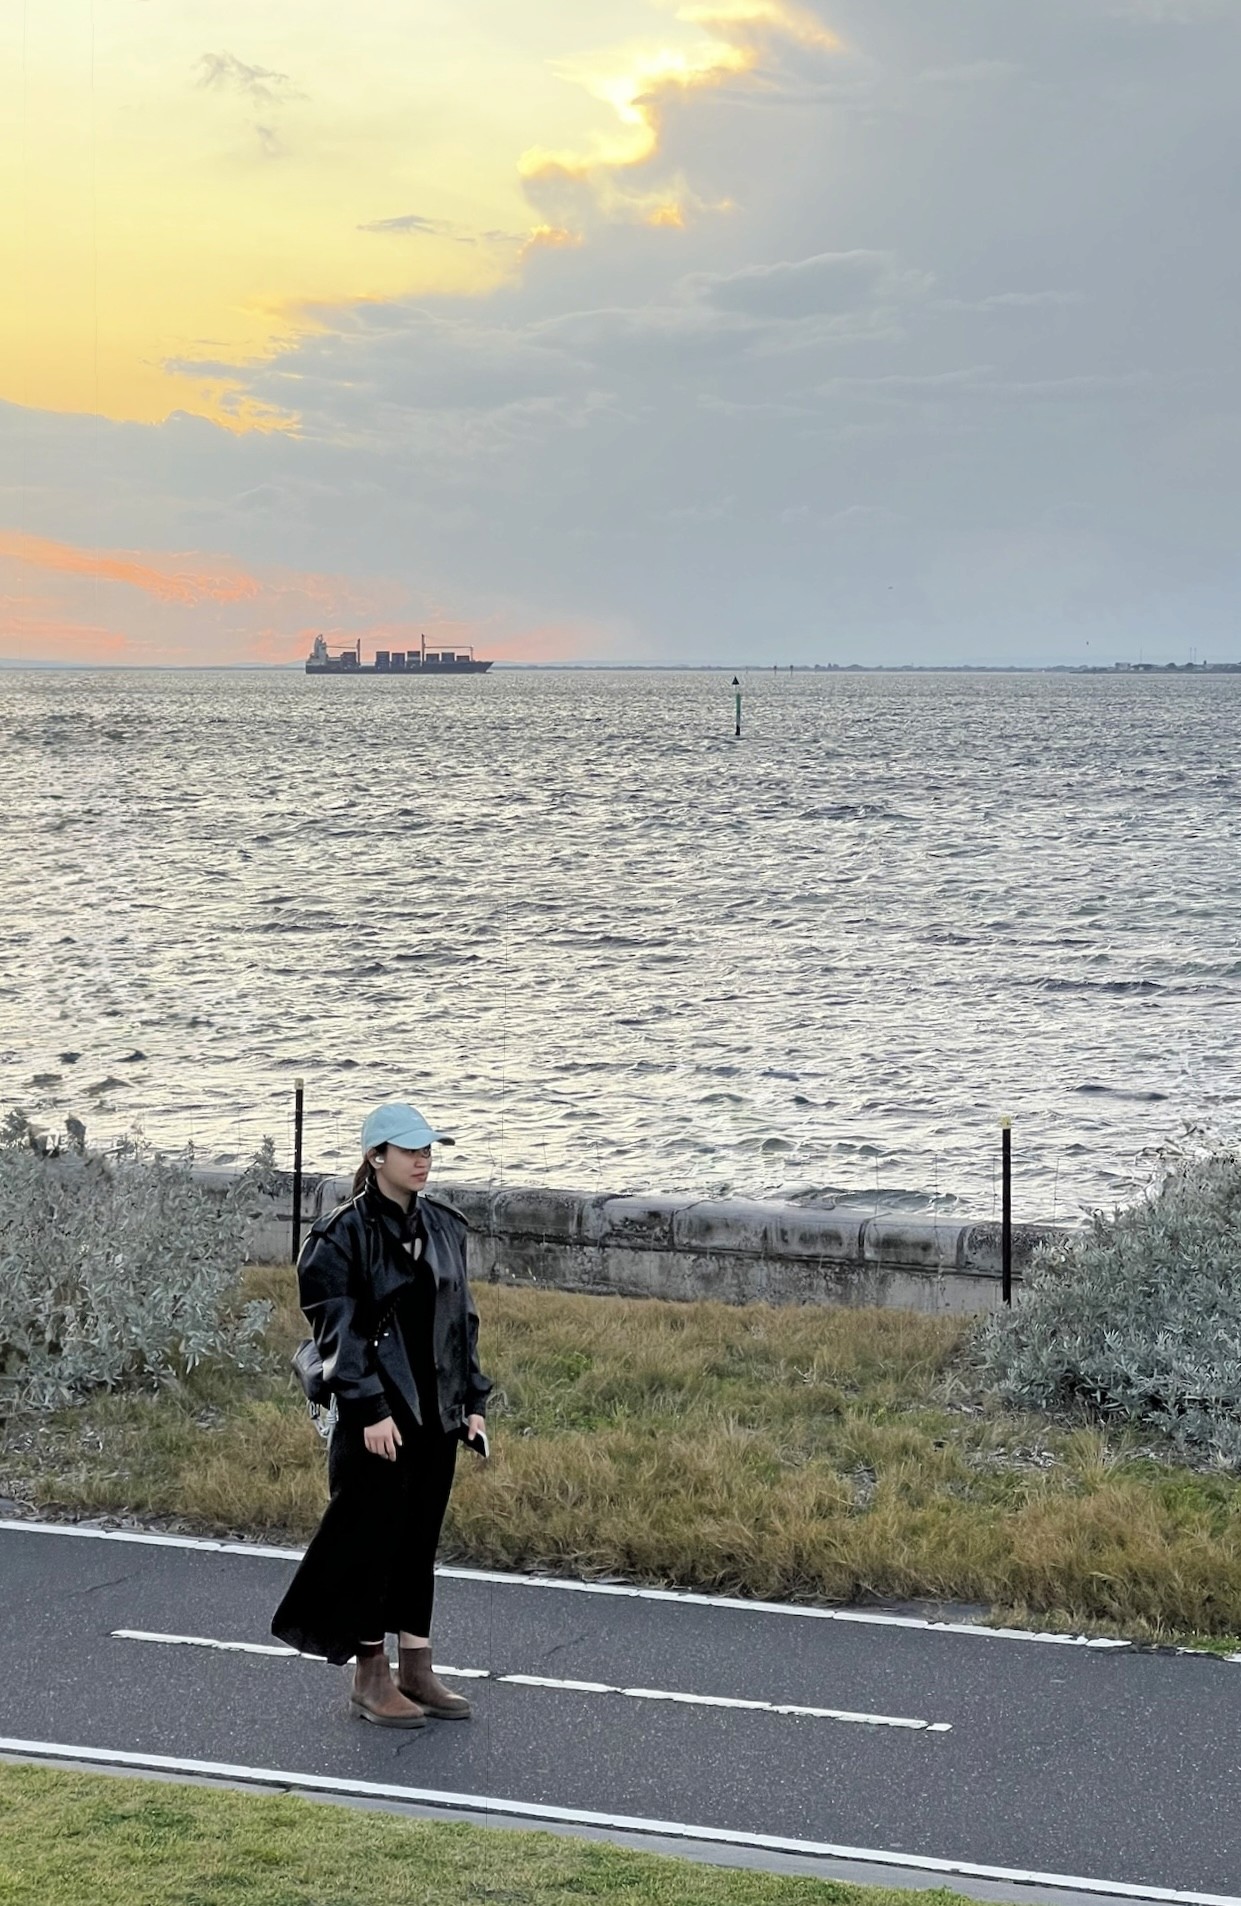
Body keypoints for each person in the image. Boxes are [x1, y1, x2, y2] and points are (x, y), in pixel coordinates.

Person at [272, 1101, 491, 1728]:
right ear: (376, 1157)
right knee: (371, 1538)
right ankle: (371, 1676)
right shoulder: (339, 1236)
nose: (423, 1159)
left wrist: (472, 1401)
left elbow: (462, 1323)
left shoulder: (446, 1227)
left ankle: (417, 1667)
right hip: (377, 1412)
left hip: (436, 1411)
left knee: (419, 1537)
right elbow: (335, 1332)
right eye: (410, 1150)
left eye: (429, 1149)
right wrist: (367, 1409)